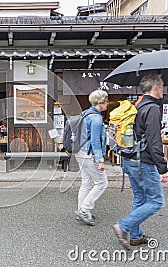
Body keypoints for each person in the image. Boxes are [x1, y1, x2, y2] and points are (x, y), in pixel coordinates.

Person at [112, 74, 168, 250]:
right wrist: (163, 168)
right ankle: (123, 226)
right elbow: (154, 142)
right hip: (143, 162)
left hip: (129, 159)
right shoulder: (152, 108)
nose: (163, 90)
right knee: (156, 201)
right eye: (162, 86)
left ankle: (135, 236)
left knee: (140, 198)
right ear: (155, 87)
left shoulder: (137, 105)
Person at [75, 89, 109, 226]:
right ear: (100, 102)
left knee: (87, 182)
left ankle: (81, 210)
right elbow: (95, 141)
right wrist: (100, 160)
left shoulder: (85, 113)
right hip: (89, 155)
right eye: (106, 101)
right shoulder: (96, 118)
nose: (108, 104)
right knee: (102, 183)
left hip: (80, 152)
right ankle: (84, 210)